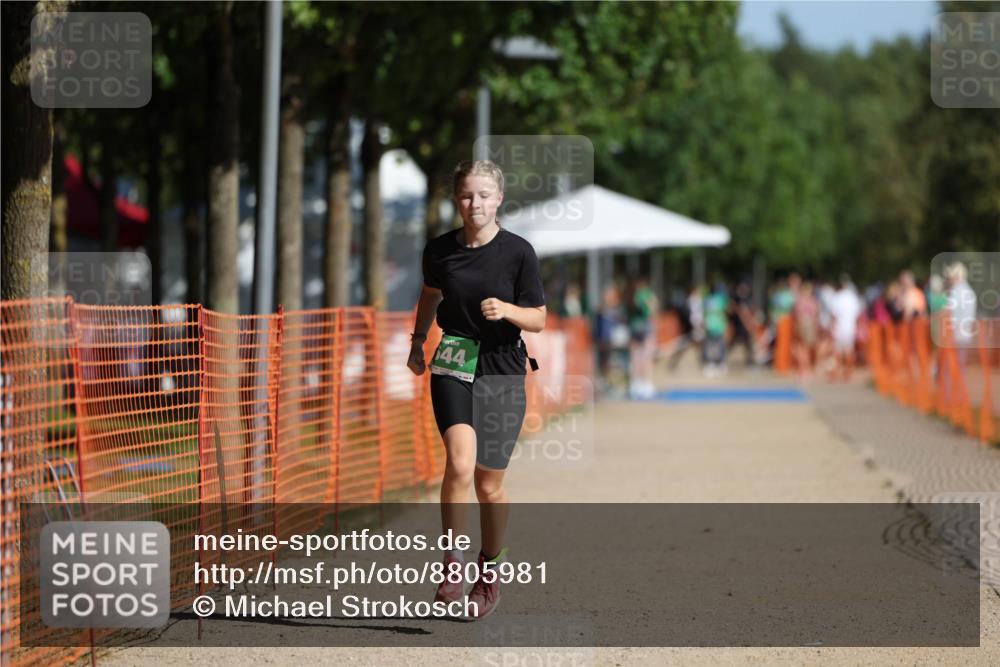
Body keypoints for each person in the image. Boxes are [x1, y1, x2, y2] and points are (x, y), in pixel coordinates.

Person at [407, 160, 546, 620]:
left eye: (484, 195)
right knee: (459, 463)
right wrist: (416, 341)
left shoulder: (519, 252)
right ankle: (452, 562)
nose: (475, 204)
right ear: (457, 199)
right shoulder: (440, 250)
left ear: (499, 198)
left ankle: (489, 571)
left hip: (503, 366)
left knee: (489, 485)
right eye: (467, 195)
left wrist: (507, 309)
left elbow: (539, 319)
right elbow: (430, 294)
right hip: (454, 359)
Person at [626, 276, 658, 398]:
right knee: (646, 358)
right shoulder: (645, 295)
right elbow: (652, 309)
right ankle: (646, 384)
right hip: (644, 328)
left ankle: (635, 384)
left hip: (634, 328)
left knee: (635, 358)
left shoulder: (630, 295)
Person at [829, 274, 863, 381]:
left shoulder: (838, 297)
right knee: (849, 351)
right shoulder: (853, 297)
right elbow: (858, 314)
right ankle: (848, 372)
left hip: (840, 328)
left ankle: (838, 371)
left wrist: (832, 327)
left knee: (837, 351)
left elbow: (833, 314)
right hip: (850, 328)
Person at [702, 282, 729, 377]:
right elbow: (724, 312)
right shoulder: (720, 300)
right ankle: (717, 364)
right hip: (716, 326)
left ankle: (713, 364)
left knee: (712, 346)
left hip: (712, 325)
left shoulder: (707, 300)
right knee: (717, 345)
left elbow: (704, 314)